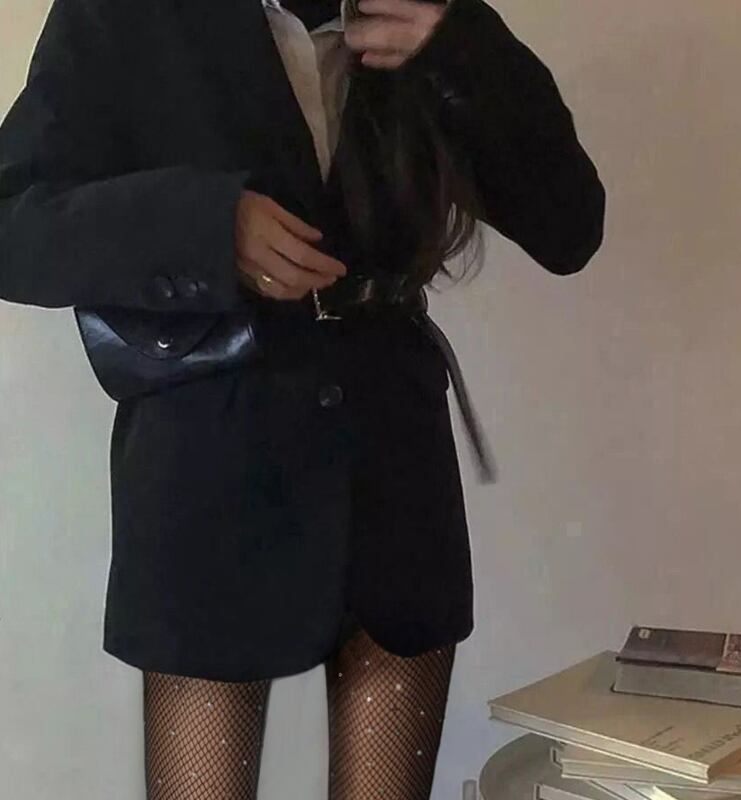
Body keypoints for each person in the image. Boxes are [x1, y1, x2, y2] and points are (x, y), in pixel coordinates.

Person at [0, 0, 605, 797]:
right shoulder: (128, 12)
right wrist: (207, 228)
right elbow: (13, 222)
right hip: (210, 475)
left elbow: (570, 227)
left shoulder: (427, 14)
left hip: (393, 477)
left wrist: (462, 48)